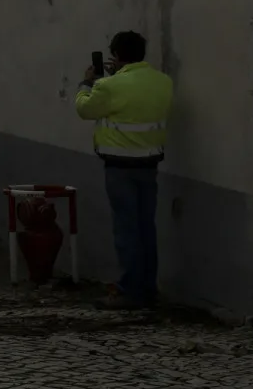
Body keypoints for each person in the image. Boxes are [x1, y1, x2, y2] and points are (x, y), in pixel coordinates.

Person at [76, 30, 173, 310]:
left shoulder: (108, 86)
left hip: (120, 167)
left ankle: (129, 290)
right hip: (149, 165)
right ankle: (148, 288)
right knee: (145, 228)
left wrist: (87, 83)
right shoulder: (163, 82)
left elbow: (84, 109)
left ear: (116, 55)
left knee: (126, 230)